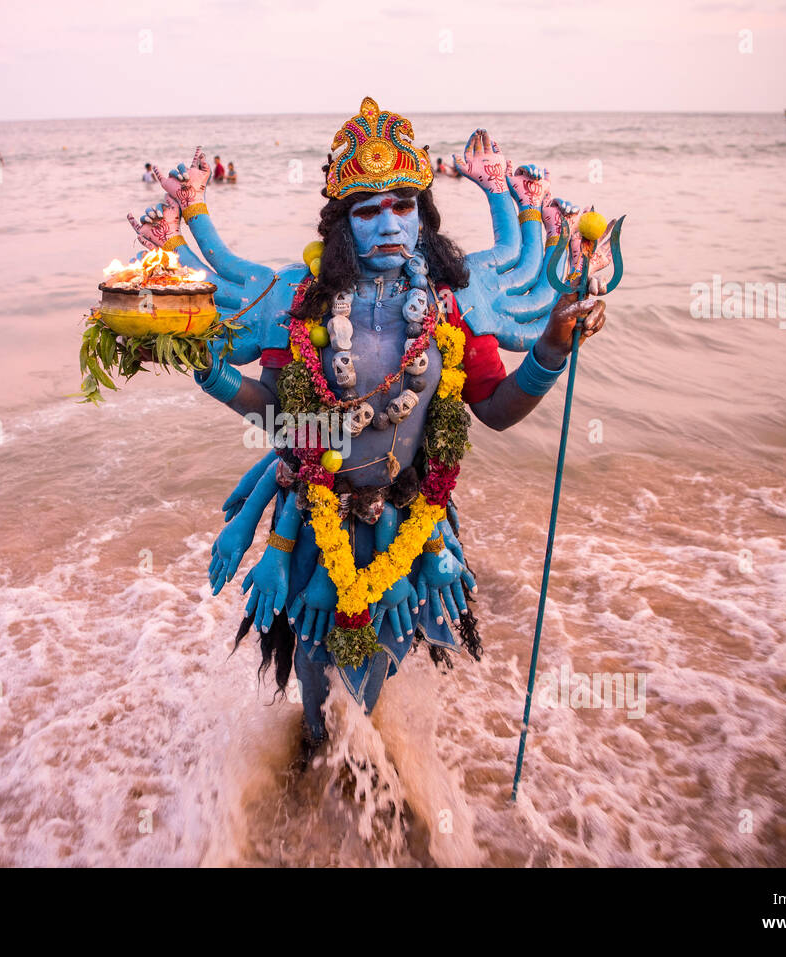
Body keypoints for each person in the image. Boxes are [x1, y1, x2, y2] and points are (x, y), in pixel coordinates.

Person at [130, 102, 612, 759]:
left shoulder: (454, 303)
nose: (387, 224)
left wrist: (554, 348)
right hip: (308, 518)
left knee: (388, 654)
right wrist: (212, 376)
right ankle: (314, 761)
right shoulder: (297, 302)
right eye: (366, 210)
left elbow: (495, 410)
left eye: (402, 205)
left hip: (410, 518)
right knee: (310, 666)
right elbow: (277, 414)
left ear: (422, 214)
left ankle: (375, 780)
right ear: (342, 224)